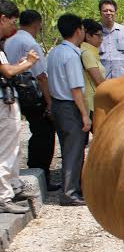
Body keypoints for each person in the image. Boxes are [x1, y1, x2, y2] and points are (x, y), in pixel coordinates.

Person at [3, 9, 57, 190]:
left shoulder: (10, 40)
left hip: (16, 93)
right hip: (33, 95)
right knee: (44, 135)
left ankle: (26, 174)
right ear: (37, 24)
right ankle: (42, 174)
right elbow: (41, 75)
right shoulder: (30, 42)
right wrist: (49, 102)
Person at [0, 0, 40, 214]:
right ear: (2, 18)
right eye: (11, 21)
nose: (13, 27)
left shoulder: (4, 43)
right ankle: (3, 197)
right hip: (2, 103)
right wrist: (28, 63)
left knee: (12, 148)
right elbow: (7, 72)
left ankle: (13, 187)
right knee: (5, 150)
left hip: (6, 100)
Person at [47, 13, 91, 207]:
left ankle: (72, 188)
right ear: (78, 31)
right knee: (74, 150)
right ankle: (70, 193)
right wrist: (84, 115)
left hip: (57, 104)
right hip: (69, 105)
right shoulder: (72, 55)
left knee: (68, 148)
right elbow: (75, 88)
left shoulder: (55, 52)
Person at [98, 0, 124, 79]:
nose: (108, 13)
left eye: (111, 11)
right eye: (105, 11)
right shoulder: (95, 32)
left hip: (123, 77)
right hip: (103, 78)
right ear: (100, 12)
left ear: (115, 12)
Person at [80, 19, 106, 135]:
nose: (101, 39)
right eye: (98, 36)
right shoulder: (87, 53)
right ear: (88, 36)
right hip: (91, 104)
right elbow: (99, 81)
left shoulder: (90, 52)